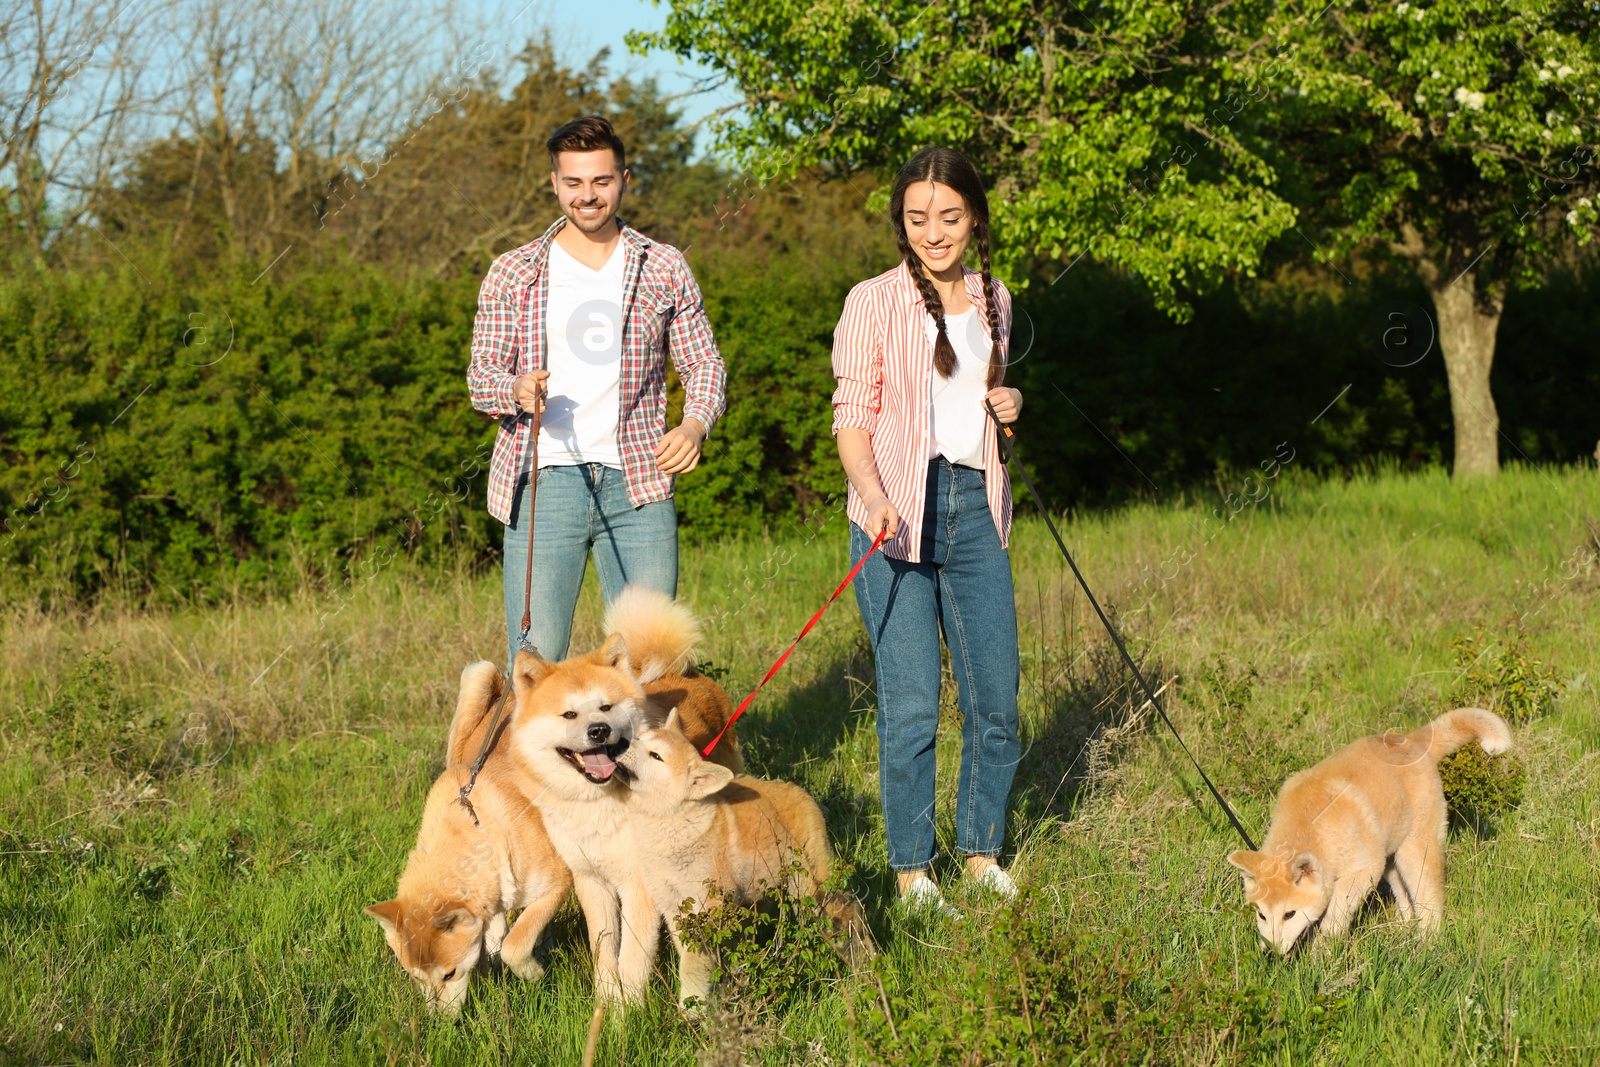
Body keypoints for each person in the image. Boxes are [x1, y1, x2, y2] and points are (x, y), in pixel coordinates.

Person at [831, 146, 1025, 916]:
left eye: (948, 217)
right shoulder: (872, 300)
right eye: (917, 218)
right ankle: (913, 872)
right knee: (911, 703)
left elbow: (984, 396)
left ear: (974, 217)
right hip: (894, 514)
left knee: (996, 698)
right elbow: (852, 420)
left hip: (976, 506)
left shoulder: (996, 297)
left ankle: (981, 851)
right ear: (900, 221)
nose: (933, 232)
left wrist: (1009, 406)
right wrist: (873, 493)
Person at [467, 115, 725, 667]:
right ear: (554, 184)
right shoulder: (513, 272)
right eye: (574, 183)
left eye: (601, 181)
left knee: (652, 666)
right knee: (535, 665)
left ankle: (652, 757)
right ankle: (518, 757)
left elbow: (704, 362)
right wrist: (513, 389)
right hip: (543, 484)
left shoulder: (663, 265)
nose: (588, 196)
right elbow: (481, 376)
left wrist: (694, 424)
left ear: (624, 180)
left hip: (638, 485)